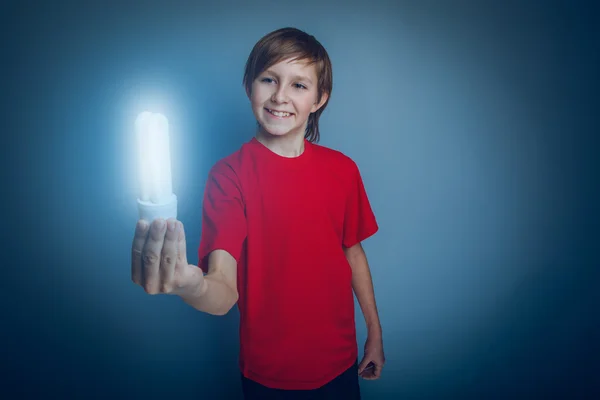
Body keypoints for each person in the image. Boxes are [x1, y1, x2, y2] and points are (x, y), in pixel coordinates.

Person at [131, 27, 385, 399]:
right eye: (269, 79)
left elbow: (353, 253)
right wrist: (191, 283)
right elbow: (222, 289)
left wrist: (374, 334)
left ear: (319, 99)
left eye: (299, 85)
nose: (280, 96)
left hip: (340, 364)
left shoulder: (343, 170)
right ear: (250, 86)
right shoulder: (229, 176)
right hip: (269, 375)